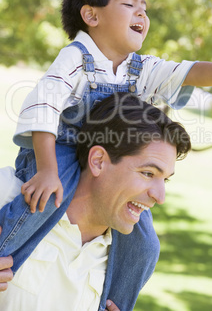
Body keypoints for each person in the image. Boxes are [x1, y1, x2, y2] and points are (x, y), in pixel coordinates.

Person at [0, 0, 212, 273]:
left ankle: (113, 303)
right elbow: (43, 106)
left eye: (144, 7)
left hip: (104, 158)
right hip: (61, 151)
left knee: (145, 245)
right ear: (91, 15)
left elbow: (187, 72)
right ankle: (6, 259)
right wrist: (47, 170)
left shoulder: (139, 68)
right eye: (129, 4)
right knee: (46, 203)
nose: (141, 13)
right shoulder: (75, 57)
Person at [0, 93, 191, 311]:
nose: (160, 196)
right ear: (98, 161)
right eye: (148, 173)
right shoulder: (8, 194)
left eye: (165, 179)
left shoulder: (122, 266)